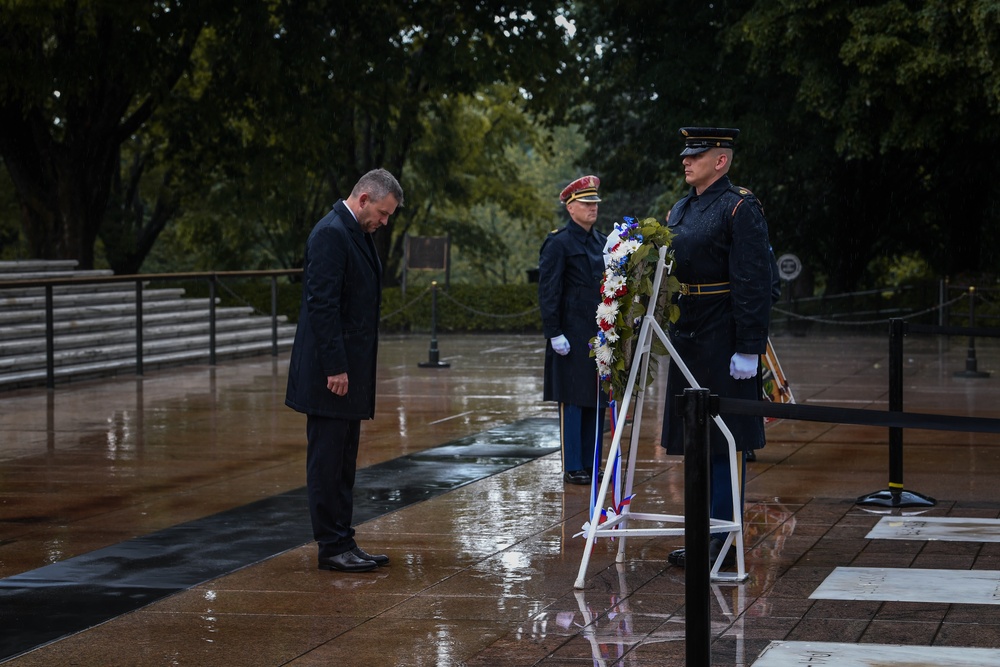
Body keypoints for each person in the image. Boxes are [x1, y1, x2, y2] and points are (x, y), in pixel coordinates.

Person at [658, 128, 777, 567]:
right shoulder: (683, 207)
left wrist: (749, 346)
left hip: (723, 337)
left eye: (697, 155)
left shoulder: (740, 207)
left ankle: (725, 543)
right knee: (696, 441)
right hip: (687, 332)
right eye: (686, 155)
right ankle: (704, 535)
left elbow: (755, 280)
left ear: (721, 161)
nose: (686, 161)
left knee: (726, 441)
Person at [285, 168, 404, 573]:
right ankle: (331, 545)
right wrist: (336, 366)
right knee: (327, 460)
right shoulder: (330, 233)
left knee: (344, 460)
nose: (385, 223)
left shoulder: (356, 233)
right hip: (328, 375)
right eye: (384, 214)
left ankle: (344, 539)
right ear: (365, 198)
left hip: (348, 373)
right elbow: (322, 305)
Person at [538, 175, 607, 485]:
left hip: (599, 332)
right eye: (586, 203)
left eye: (595, 203)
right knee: (574, 401)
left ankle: (592, 462)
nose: (592, 208)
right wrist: (553, 331)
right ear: (570, 208)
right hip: (570, 332)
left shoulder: (603, 242)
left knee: (596, 398)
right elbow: (549, 289)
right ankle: (573, 465)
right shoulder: (558, 243)